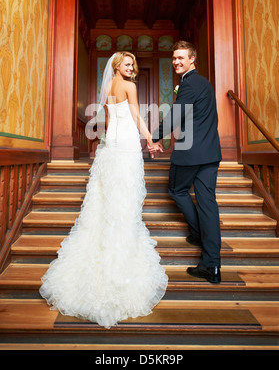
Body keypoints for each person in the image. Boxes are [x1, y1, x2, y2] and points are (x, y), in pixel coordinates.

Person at [40, 51, 168, 328]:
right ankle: (120, 256)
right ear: (116, 66)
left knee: (108, 197)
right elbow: (135, 114)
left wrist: (111, 140)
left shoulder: (108, 86)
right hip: (127, 143)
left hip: (112, 142)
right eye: (127, 64)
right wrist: (149, 140)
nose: (131, 67)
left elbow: (109, 121)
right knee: (126, 194)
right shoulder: (130, 86)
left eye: (132, 64)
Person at [150, 41, 222, 284]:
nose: (176, 62)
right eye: (174, 58)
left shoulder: (189, 84)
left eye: (181, 58)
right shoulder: (204, 84)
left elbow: (174, 118)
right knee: (207, 204)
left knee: (177, 190)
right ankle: (211, 266)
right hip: (210, 152)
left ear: (193, 59)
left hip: (191, 153)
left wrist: (153, 139)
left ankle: (198, 233)